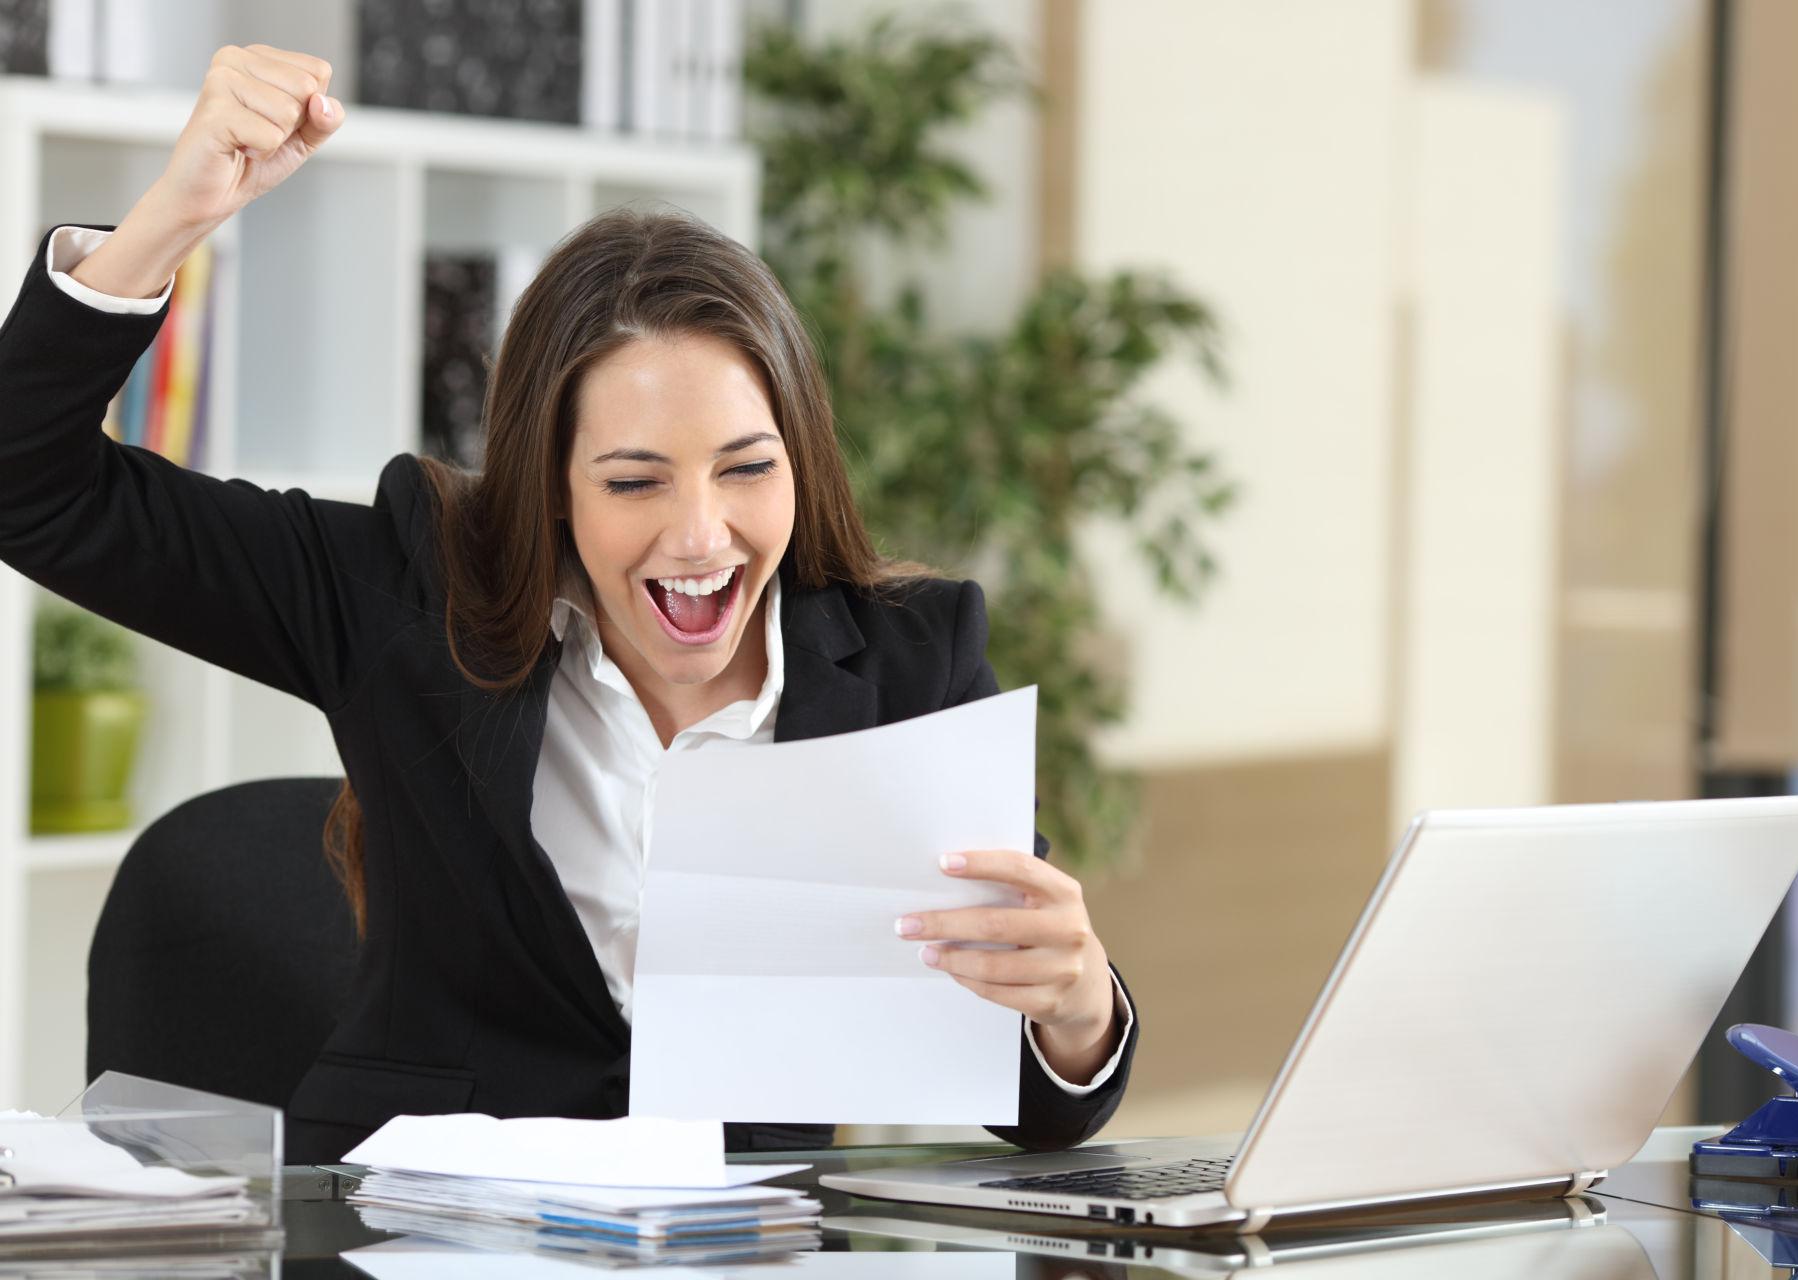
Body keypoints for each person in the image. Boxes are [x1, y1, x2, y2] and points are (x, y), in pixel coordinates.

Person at [0, 44, 1136, 1161]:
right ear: (548, 487)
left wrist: (1075, 1007)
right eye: (635, 480)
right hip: (413, 1237)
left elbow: (1030, 1092)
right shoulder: (405, 589)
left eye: (747, 468)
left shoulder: (911, 663)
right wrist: (169, 221)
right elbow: (31, 487)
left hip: (733, 1251)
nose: (700, 535)